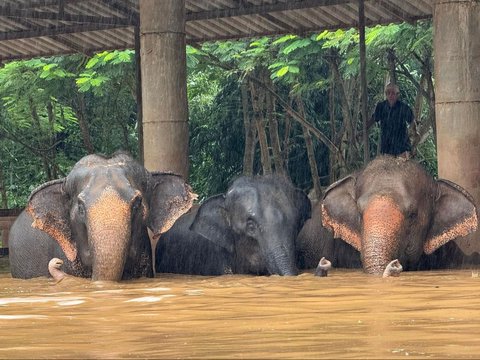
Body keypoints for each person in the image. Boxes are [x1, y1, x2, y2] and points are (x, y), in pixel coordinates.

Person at [368, 82, 416, 158]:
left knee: (402, 167)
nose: (391, 95)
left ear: (398, 95)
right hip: (387, 146)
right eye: (388, 93)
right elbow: (374, 119)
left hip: (402, 146)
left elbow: (413, 122)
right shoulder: (381, 107)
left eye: (393, 93)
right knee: (388, 168)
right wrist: (364, 129)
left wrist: (413, 133)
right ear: (386, 94)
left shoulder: (404, 108)